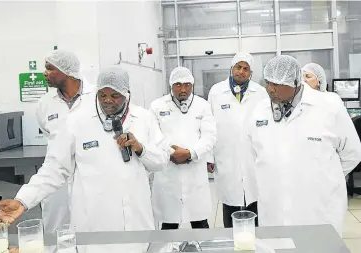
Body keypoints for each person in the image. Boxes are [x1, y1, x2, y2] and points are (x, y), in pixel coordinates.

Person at [0, 66, 170, 252]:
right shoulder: (77, 121)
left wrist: (141, 149)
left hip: (136, 222)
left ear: (126, 93)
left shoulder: (144, 119)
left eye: (115, 96)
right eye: (102, 95)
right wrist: (23, 201)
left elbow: (162, 160)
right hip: (92, 223)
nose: (107, 101)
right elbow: (54, 169)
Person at [244, 55, 361, 235]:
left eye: (277, 84)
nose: (270, 89)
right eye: (268, 82)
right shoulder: (260, 110)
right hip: (275, 209)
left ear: (295, 82)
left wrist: (323, 176)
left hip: (319, 208)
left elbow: (352, 153)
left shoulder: (329, 106)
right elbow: (252, 154)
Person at [150, 67, 217, 230]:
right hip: (168, 170)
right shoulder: (157, 106)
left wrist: (190, 154)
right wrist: (172, 153)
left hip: (194, 170)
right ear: (171, 86)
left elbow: (210, 136)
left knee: (200, 223)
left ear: (192, 85)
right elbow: (153, 135)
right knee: (169, 224)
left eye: (187, 84)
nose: (183, 89)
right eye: (178, 85)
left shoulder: (203, 105)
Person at [36, 49, 94, 234]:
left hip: (91, 175)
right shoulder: (45, 104)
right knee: (56, 229)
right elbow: (48, 132)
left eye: (49, 68)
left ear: (66, 72)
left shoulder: (96, 98)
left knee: (91, 227)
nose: (44, 73)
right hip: (56, 176)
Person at [208, 52, 267, 227]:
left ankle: (255, 242)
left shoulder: (261, 93)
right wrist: (209, 157)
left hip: (253, 155)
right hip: (226, 155)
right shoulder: (216, 91)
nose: (241, 72)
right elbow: (209, 126)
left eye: (246, 69)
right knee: (230, 201)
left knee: (254, 200)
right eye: (238, 67)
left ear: (251, 73)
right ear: (231, 68)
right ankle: (231, 240)